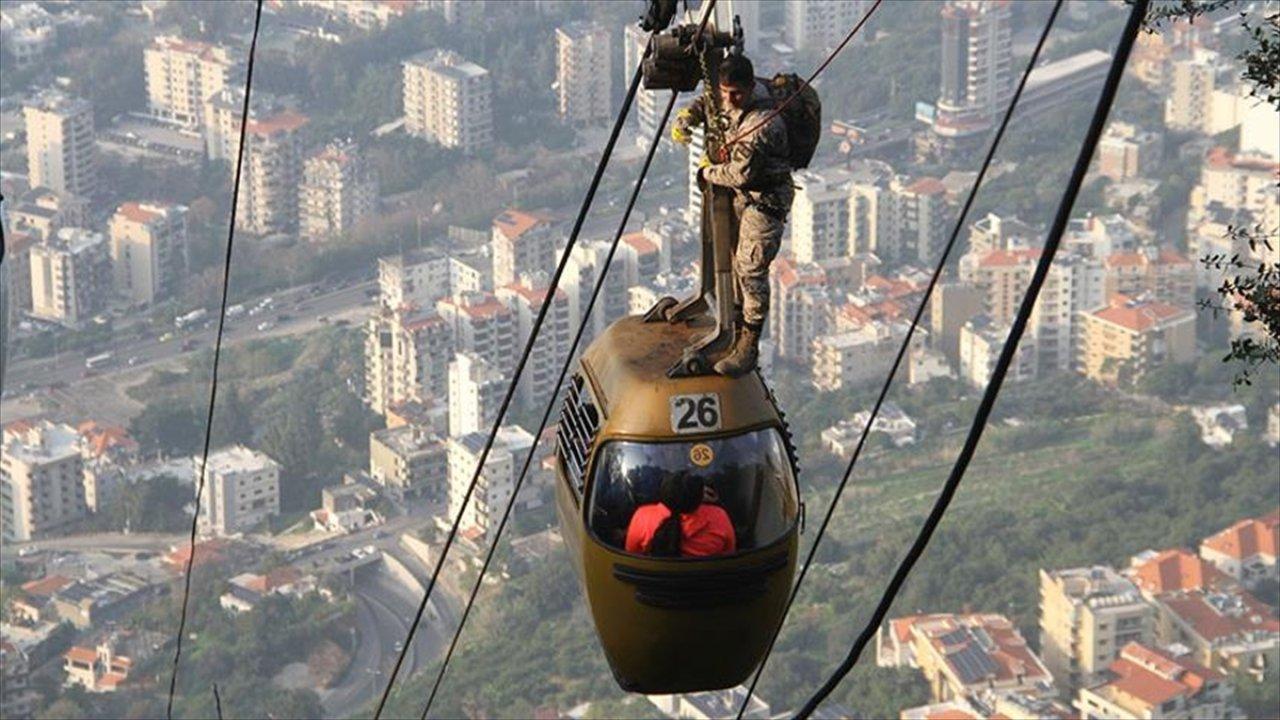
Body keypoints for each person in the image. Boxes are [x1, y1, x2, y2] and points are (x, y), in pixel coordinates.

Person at [671, 52, 794, 377]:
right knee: (731, 258)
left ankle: (748, 346)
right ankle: (733, 322)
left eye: (735, 94)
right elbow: (711, 103)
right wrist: (689, 116)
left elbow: (740, 174)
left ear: (751, 88)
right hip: (743, 197)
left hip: (765, 200)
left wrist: (706, 173)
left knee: (751, 270)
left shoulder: (763, 125)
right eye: (725, 92)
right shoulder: (730, 96)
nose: (729, 99)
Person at [625, 472, 736, 557]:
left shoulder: (643, 516)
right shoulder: (719, 516)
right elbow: (730, 553)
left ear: (664, 493)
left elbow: (631, 554)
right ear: (700, 499)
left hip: (654, 586)